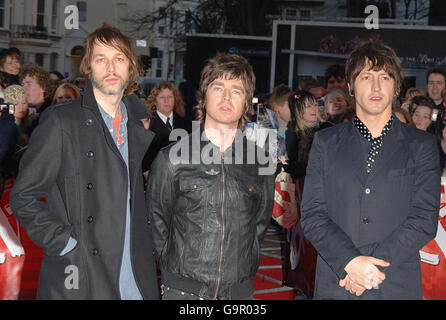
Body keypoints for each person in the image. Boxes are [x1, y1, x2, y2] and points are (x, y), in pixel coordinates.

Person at [10, 23, 159, 300]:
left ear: (131, 68)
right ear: (88, 68)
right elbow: (24, 195)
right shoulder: (62, 121)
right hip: (81, 274)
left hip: (134, 273)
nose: (111, 68)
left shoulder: (137, 128)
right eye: (101, 59)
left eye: (119, 59)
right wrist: (64, 242)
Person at [301, 39, 441, 300]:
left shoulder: (421, 145)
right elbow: (312, 215)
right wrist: (350, 263)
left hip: (394, 283)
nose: (376, 87)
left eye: (385, 77)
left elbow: (423, 219)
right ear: (351, 87)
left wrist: (370, 268)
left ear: (396, 86)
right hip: (338, 282)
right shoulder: (326, 142)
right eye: (366, 77)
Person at [147, 52, 275, 300]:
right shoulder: (172, 158)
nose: (227, 97)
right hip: (184, 292)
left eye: (236, 90)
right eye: (218, 87)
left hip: (238, 293)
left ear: (247, 102)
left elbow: (259, 224)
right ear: (204, 96)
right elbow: (156, 221)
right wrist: (177, 273)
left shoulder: (260, 162)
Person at [281, 90, 331, 298]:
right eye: (307, 106)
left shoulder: (328, 129)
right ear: (298, 111)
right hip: (300, 199)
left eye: (314, 105)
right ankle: (304, 289)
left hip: (325, 198)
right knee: (301, 250)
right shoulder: (293, 132)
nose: (313, 109)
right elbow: (293, 168)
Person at [142, 80, 191, 173]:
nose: (166, 101)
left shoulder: (186, 125)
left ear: (175, 100)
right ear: (155, 101)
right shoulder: (147, 124)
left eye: (170, 97)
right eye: (162, 97)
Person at [19, 66, 55, 132]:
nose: (23, 88)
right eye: (22, 84)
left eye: (28, 84)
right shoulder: (19, 110)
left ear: (43, 87)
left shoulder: (52, 112)